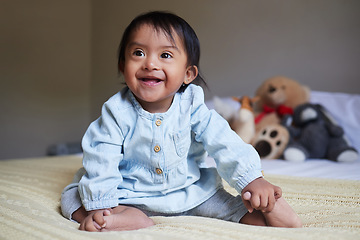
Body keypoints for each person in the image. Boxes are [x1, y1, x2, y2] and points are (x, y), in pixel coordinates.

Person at [61, 11, 302, 232]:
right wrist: (100, 203)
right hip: (128, 195)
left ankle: (268, 207)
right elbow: (101, 157)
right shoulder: (116, 111)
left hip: (192, 192)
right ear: (123, 66)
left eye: (165, 55)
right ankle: (120, 217)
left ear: (188, 74)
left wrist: (252, 179)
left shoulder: (193, 106)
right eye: (138, 53)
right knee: (74, 197)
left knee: (241, 208)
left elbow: (224, 142)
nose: (150, 63)